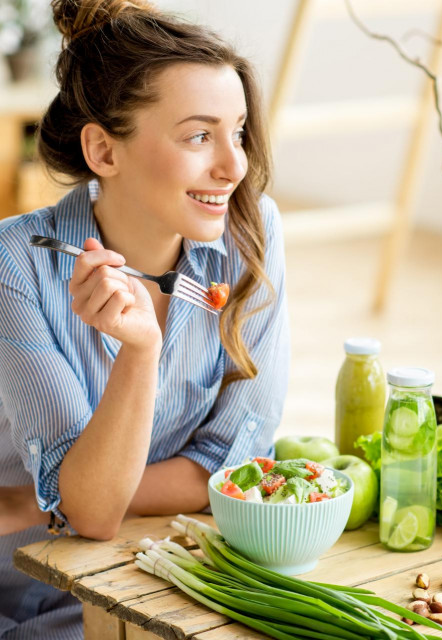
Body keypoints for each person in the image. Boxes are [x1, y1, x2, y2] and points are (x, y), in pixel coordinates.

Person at [0, 0, 290, 637]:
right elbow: (93, 515)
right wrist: (140, 351)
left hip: (164, 570)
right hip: (38, 591)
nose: (233, 165)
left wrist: (43, 502)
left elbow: (236, 463)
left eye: (237, 131)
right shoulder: (17, 263)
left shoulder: (252, 231)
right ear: (104, 150)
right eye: (198, 136)